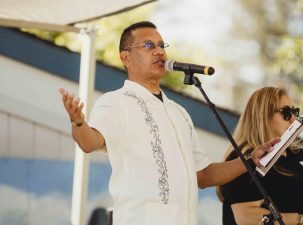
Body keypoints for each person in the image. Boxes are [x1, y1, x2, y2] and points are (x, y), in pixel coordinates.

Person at [59, 21, 279, 225]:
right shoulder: (115, 102)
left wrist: (250, 162)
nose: (159, 51)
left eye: (162, 45)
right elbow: (89, 143)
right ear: (125, 58)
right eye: (148, 45)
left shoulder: (179, 112)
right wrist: (78, 122)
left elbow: (203, 175)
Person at [218, 87, 303, 225]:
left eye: (295, 112)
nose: (293, 118)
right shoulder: (244, 158)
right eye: (286, 112)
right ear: (263, 115)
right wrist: (302, 220)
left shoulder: (298, 154)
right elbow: (246, 217)